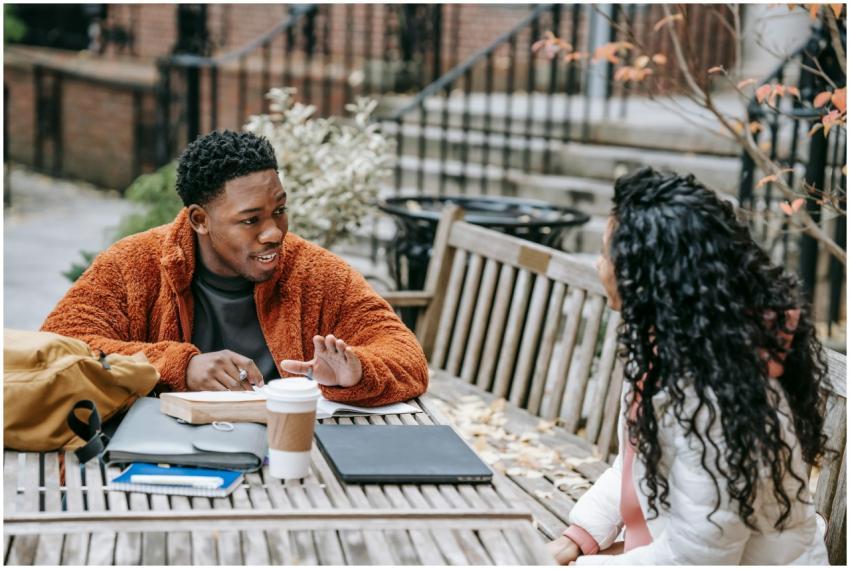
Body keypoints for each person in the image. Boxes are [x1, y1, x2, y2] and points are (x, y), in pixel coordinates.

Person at [547, 167, 830, 564]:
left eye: (606, 253)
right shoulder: (674, 348)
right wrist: (579, 537)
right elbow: (633, 468)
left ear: (648, 276)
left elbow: (698, 557)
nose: (598, 265)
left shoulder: (721, 394)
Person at [41, 130, 429, 406]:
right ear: (199, 219)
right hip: (161, 458)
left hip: (288, 460)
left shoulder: (317, 273)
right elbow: (55, 348)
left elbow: (408, 359)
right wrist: (182, 367)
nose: (274, 233)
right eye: (250, 220)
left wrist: (357, 371)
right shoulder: (132, 265)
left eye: (279, 211)